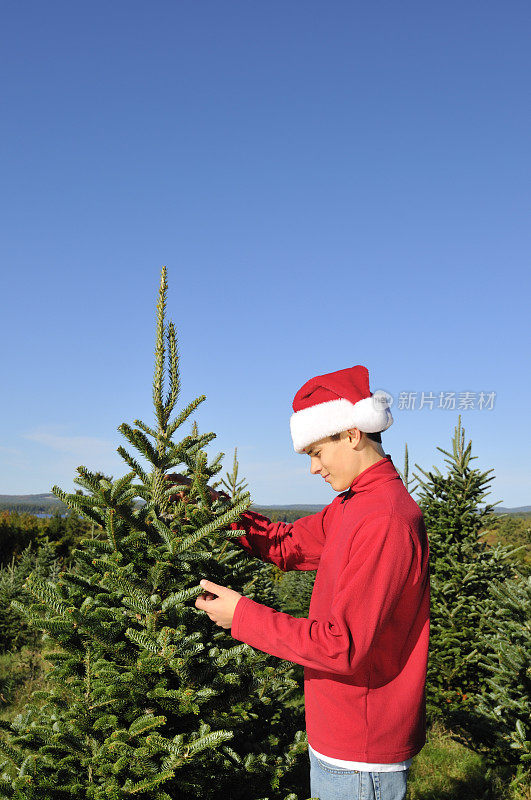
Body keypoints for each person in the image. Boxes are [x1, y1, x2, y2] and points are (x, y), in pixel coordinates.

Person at [193, 365, 430, 800]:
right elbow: (286, 545)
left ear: (353, 434)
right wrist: (219, 515)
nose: (313, 469)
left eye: (317, 452)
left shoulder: (385, 519)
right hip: (339, 734)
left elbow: (341, 646)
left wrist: (242, 617)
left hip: (361, 750)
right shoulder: (353, 506)